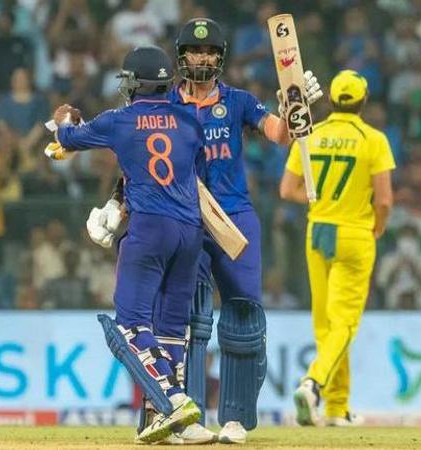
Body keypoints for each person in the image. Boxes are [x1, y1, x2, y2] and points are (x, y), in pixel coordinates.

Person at [85, 18, 322, 444]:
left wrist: (294, 110)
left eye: (211, 51)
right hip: (185, 215)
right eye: (196, 52)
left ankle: (233, 418)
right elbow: (139, 164)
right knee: (182, 318)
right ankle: (179, 413)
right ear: (181, 58)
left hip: (232, 215)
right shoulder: (162, 104)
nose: (203, 58)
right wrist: (116, 205)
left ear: (221, 58)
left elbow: (279, 134)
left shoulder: (239, 102)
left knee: (243, 314)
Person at [50, 45, 205, 444]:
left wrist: (63, 117)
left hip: (150, 229)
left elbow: (68, 139)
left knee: (132, 325)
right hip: (190, 231)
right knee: (172, 329)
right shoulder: (190, 119)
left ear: (135, 84)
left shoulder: (120, 120)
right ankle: (172, 423)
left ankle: (173, 400)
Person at [279, 70, 395, 427]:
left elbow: (287, 191)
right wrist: (377, 228)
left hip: (319, 231)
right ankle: (313, 384)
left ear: (329, 100)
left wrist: (316, 201)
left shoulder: (310, 135)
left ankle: (336, 408)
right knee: (344, 323)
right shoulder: (372, 139)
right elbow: (386, 200)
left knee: (325, 324)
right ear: (364, 102)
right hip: (355, 233)